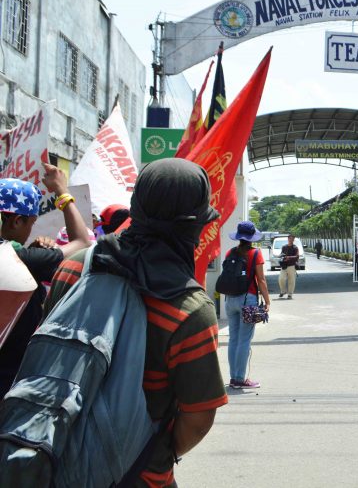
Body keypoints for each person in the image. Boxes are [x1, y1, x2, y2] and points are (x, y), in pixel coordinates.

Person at [43, 158, 227, 487]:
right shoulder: (189, 309)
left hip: (51, 454)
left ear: (136, 208)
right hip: (139, 475)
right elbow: (198, 417)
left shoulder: (74, 269)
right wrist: (153, 455)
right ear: (192, 227)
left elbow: (47, 352)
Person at [0, 165, 90, 396]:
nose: (32, 229)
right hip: (10, 378)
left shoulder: (22, 255)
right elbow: (82, 241)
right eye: (31, 222)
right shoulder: (20, 257)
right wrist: (62, 192)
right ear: (16, 222)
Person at [224, 220, 271, 389]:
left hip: (230, 300)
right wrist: (267, 301)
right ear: (251, 238)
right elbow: (261, 280)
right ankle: (240, 379)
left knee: (233, 339)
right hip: (248, 301)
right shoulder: (255, 253)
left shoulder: (230, 253)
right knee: (244, 340)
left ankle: (233, 378)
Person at [277, 234, 299, 299]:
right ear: (288, 239)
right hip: (284, 265)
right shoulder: (284, 247)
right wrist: (281, 256)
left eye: (292, 239)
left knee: (291, 280)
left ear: (293, 240)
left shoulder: (295, 248)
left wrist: (288, 257)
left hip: (292, 266)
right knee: (281, 279)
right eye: (290, 238)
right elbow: (281, 253)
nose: (291, 240)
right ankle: (283, 291)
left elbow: (297, 256)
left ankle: (290, 294)